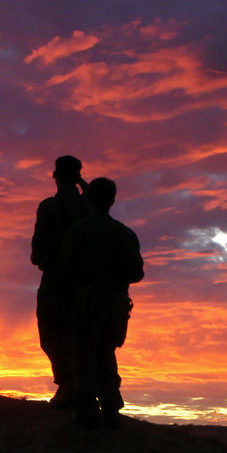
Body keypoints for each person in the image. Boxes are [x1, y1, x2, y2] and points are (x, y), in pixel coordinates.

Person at [62, 178, 144, 428]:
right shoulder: (125, 234)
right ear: (112, 200)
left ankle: (87, 407)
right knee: (105, 351)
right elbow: (137, 273)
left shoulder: (78, 231)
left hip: (87, 301)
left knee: (84, 351)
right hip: (115, 304)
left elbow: (65, 270)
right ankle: (109, 405)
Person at [31, 155, 91, 408]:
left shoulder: (50, 207)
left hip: (58, 282)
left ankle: (68, 387)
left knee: (52, 333)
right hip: (86, 283)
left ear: (55, 176)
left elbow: (37, 253)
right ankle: (82, 388)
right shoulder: (90, 206)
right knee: (81, 334)